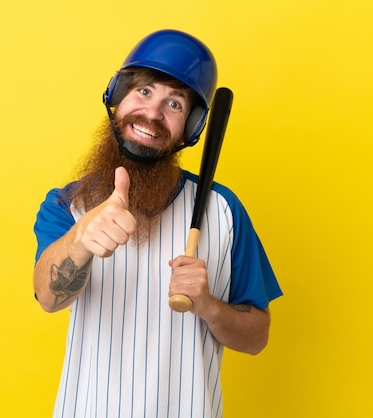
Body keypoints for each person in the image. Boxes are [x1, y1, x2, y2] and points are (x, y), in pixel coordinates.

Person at [33, 29, 282, 418]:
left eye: (175, 104)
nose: (153, 113)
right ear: (117, 98)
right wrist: (81, 239)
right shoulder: (68, 205)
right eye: (144, 92)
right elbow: (48, 298)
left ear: (192, 127)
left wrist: (209, 306)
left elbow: (257, 338)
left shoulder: (223, 210)